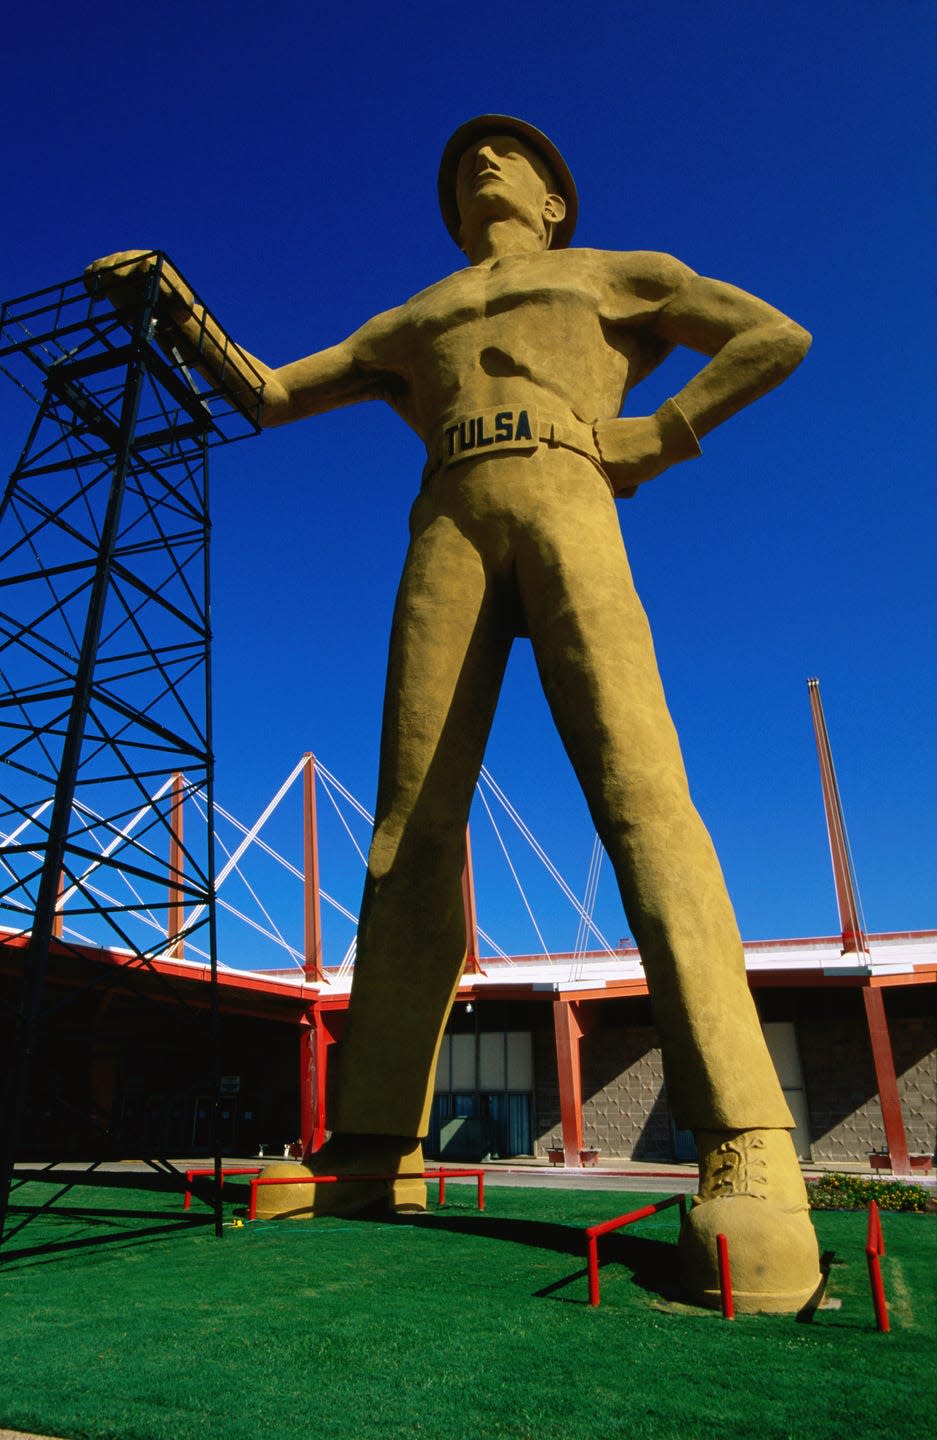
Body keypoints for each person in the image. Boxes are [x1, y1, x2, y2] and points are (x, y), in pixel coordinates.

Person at [89, 115, 820, 1311]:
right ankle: (374, 1149)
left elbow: (769, 335)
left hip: (570, 496)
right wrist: (175, 310)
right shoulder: (414, 316)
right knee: (405, 831)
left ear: (554, 199)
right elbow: (270, 393)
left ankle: (746, 1141)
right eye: (464, 159)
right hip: (446, 521)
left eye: (509, 153)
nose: (482, 162)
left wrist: (658, 432)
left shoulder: (611, 274)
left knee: (639, 794)